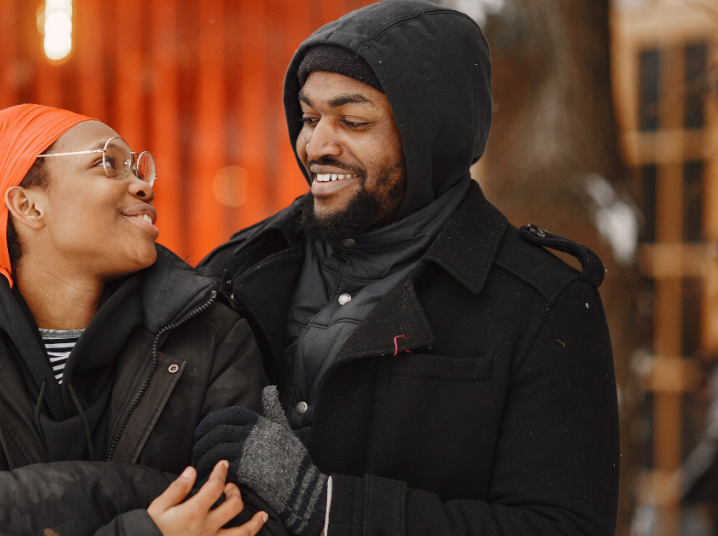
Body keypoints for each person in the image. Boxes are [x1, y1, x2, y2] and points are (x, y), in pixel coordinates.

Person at [192, 1, 621, 535]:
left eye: (353, 121)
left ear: (430, 136)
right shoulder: (237, 270)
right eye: (308, 118)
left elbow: (561, 526)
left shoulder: (542, 305)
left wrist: (325, 507)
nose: (316, 146)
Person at [0, 104, 275, 536]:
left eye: (137, 168)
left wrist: (8, 508)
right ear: (27, 206)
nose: (143, 185)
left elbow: (242, 513)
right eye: (108, 164)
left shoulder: (211, 336)